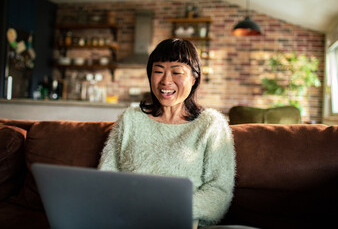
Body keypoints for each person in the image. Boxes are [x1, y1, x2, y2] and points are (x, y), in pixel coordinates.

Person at [98, 38, 235, 228]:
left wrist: (168, 208)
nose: (166, 81)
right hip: (126, 219)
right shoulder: (130, 119)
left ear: (194, 78)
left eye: (177, 72)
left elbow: (218, 193)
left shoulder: (211, 124)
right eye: (158, 71)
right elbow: (106, 179)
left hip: (178, 220)